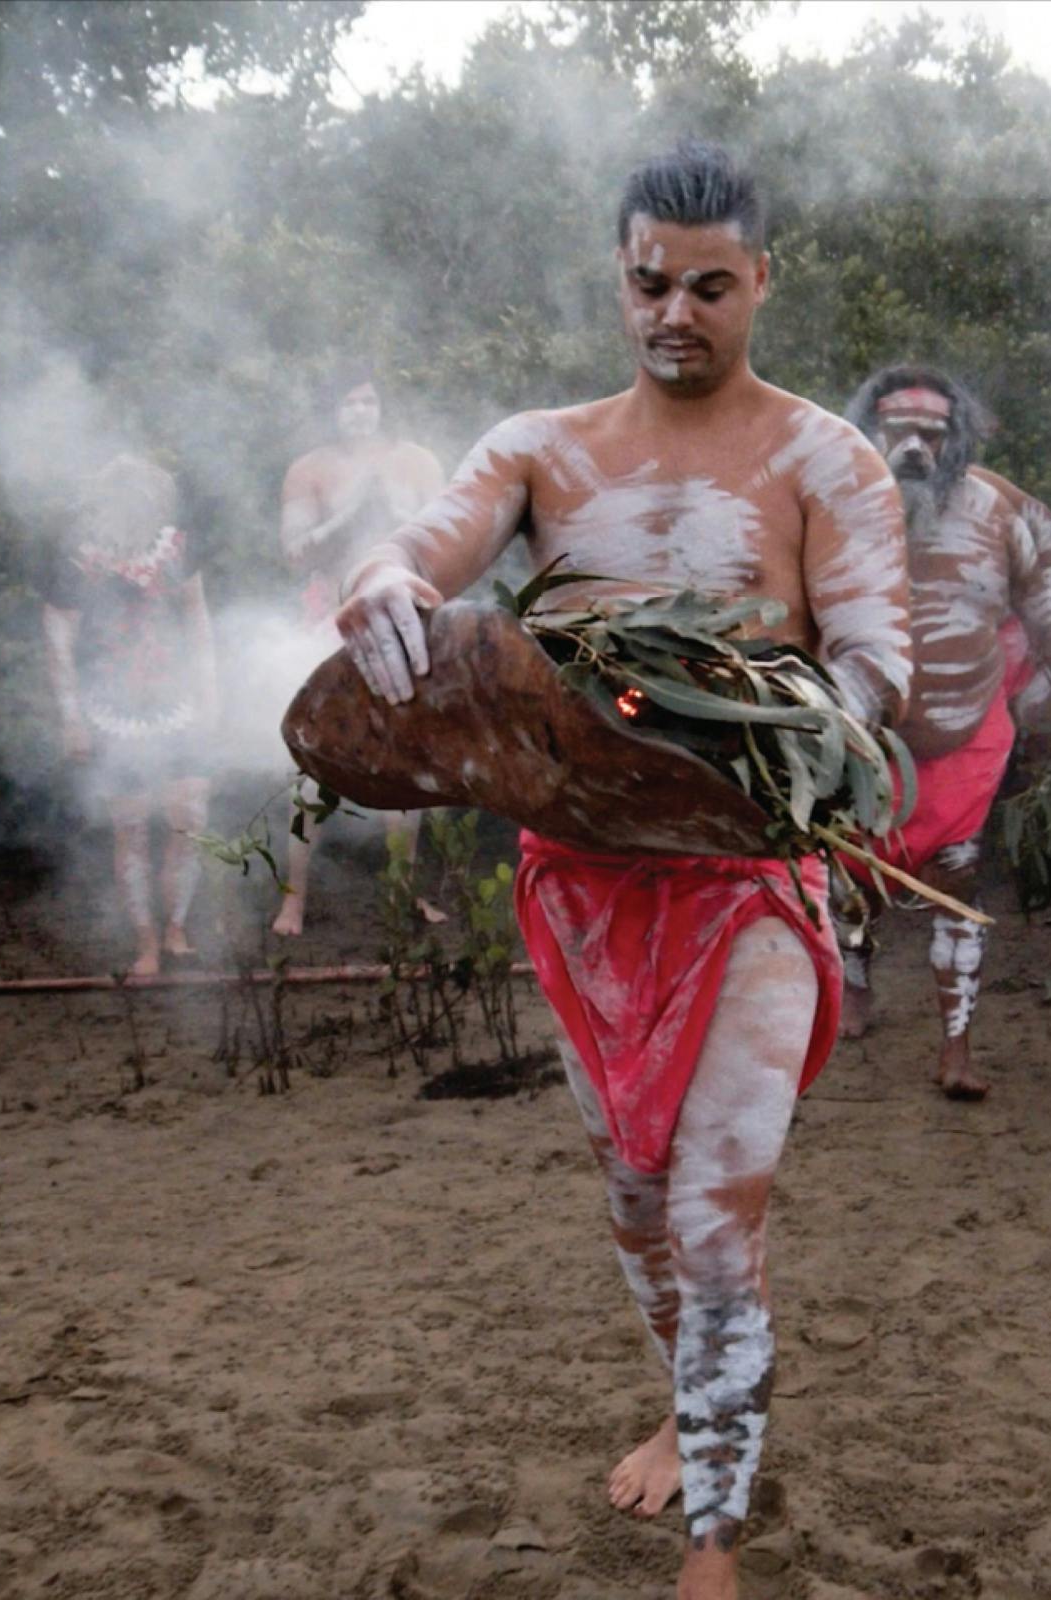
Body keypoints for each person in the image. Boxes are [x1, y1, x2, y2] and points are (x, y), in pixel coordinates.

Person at [334, 143, 910, 1600]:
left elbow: (874, 663)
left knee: (716, 1214)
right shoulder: (541, 448)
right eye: (651, 283)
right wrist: (385, 585)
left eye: (710, 288)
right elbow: (423, 547)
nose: (676, 313)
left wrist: (794, 733)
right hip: (582, 888)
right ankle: (691, 1397)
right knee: (639, 1205)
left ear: (760, 280)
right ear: (619, 275)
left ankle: (714, 1543)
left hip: (746, 876)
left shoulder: (825, 461)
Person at [834, 365, 1051, 1099]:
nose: (915, 448)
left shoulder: (999, 513)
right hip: (863, 738)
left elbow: (1043, 612)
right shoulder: (833, 504)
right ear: (868, 431)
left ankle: (956, 1048)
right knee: (850, 881)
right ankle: (855, 988)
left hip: (964, 733)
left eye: (933, 434)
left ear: (959, 440)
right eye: (898, 431)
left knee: (955, 882)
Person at [272, 369, 445, 936]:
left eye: (368, 401)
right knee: (310, 762)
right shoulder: (309, 469)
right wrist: (350, 512)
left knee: (407, 760)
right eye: (348, 402)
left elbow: (447, 543)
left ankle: (403, 895)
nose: (360, 412)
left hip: (404, 614)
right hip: (329, 615)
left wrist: (393, 513)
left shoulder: (417, 462)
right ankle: (293, 902)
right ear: (332, 411)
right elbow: (295, 553)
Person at [42, 454, 218, 978]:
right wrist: (71, 717)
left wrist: (210, 695)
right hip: (115, 710)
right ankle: (146, 942)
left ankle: (176, 930)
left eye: (146, 506)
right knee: (132, 828)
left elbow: (198, 623)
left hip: (176, 703)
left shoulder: (176, 549)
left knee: (190, 817)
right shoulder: (78, 561)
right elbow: (58, 640)